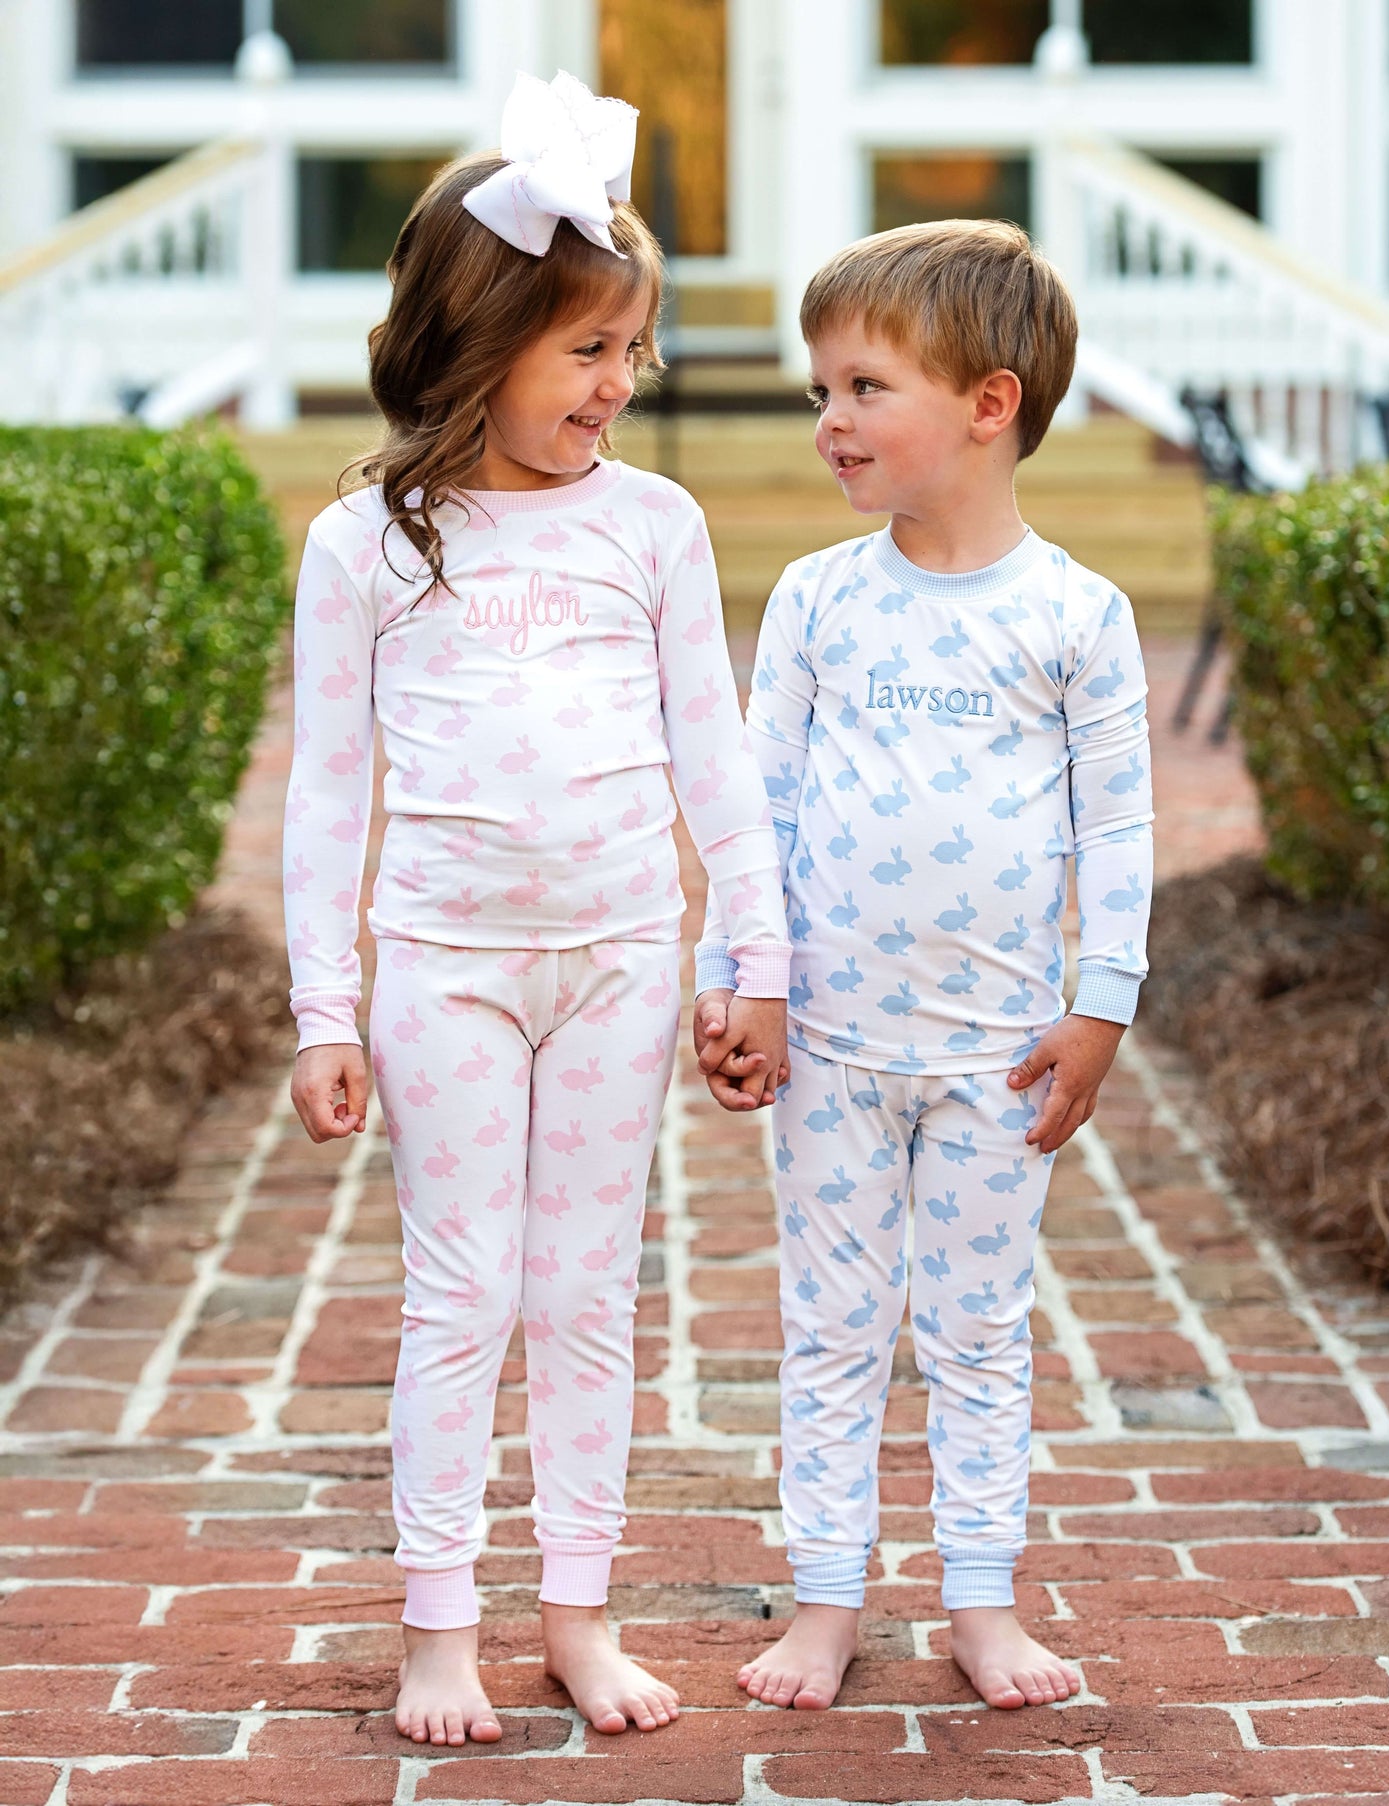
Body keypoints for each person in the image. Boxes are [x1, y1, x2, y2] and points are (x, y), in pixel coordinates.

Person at [282, 71, 789, 1747]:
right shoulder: (369, 541)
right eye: (590, 350)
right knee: (462, 1294)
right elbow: (328, 790)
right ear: (476, 335)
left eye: (630, 352)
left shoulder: (655, 527)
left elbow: (715, 768)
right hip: (444, 962)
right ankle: (441, 1623)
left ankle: (577, 1608)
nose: (621, 385)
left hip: (623, 956)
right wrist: (324, 1009)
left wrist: (749, 961)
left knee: (584, 1290)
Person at [694, 219, 1154, 1712]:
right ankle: (825, 1595)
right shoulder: (822, 602)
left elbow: (1121, 826)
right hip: (829, 1039)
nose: (827, 423)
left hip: (996, 1053)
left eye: (860, 387)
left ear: (988, 402)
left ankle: (978, 1598)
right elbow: (754, 808)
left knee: (972, 1329)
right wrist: (740, 976)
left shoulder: (1075, 616)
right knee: (829, 1330)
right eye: (819, 391)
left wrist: (1100, 1005)